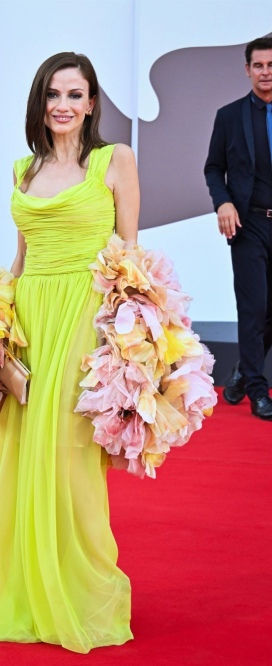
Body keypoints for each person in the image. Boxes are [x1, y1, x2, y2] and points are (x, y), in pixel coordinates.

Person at [0, 53, 139, 654]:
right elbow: (21, 257)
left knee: (70, 454)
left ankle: (79, 588)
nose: (63, 104)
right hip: (33, 318)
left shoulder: (115, 161)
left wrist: (124, 338)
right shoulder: (24, 170)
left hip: (84, 318)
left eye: (75, 94)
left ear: (91, 103)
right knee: (26, 447)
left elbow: (129, 253)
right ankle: (27, 587)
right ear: (40, 104)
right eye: (52, 94)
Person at [205, 36, 272, 420]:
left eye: (270, 65)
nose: (265, 72)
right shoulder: (229, 116)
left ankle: (242, 374)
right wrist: (223, 201)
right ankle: (259, 390)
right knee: (252, 308)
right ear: (247, 70)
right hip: (248, 224)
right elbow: (213, 167)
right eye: (258, 65)